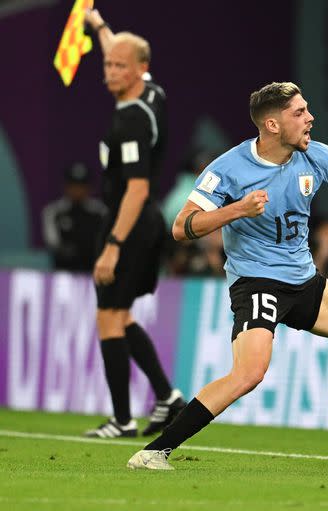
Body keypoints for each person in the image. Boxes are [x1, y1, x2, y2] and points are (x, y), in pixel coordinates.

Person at [126, 82, 328, 471]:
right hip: (256, 282)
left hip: (304, 281)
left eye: (307, 110)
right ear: (272, 124)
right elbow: (182, 226)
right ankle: (155, 451)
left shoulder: (316, 156)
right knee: (250, 372)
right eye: (299, 112)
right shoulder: (229, 168)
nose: (310, 118)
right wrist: (235, 210)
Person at [82, 10, 186, 438]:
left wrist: (112, 245)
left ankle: (123, 419)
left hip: (131, 221)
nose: (110, 70)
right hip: (143, 223)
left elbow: (137, 189)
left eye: (118, 65)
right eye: (107, 63)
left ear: (139, 69)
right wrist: (98, 25)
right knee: (119, 316)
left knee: (108, 316)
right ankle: (167, 398)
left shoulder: (129, 121)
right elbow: (123, 53)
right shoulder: (152, 94)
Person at [42, 163, 107, 272]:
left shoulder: (100, 212)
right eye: (74, 185)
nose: (77, 190)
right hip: (63, 273)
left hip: (94, 271)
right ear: (66, 187)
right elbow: (53, 243)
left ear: (89, 188)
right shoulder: (54, 212)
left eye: (82, 186)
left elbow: (106, 242)